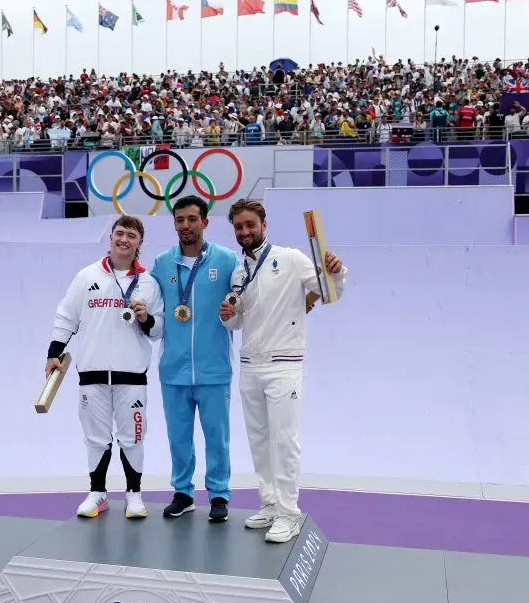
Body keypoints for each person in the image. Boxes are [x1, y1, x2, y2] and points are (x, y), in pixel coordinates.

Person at [219, 199, 347, 543]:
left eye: (251, 225)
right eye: (239, 227)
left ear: (264, 224)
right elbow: (239, 322)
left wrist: (335, 269)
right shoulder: (237, 271)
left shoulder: (290, 259)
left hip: (284, 365)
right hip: (249, 365)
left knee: (284, 442)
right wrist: (228, 317)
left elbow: (327, 289)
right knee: (259, 442)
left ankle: (289, 514)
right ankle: (271, 504)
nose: (245, 232)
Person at [47, 216, 164, 519]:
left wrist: (145, 319)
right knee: (95, 438)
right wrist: (54, 352)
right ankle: (97, 493)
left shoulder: (149, 282)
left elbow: (159, 328)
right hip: (92, 374)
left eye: (132, 235)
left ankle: (134, 495)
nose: (124, 239)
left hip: (132, 376)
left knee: (133, 436)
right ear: (110, 237)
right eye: (119, 233)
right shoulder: (87, 277)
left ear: (140, 242)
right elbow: (66, 317)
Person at [149, 195, 240, 523]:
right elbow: (147, 300)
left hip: (214, 369)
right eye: (179, 220)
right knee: (178, 437)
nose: (185, 225)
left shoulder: (227, 260)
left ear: (205, 222)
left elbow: (252, 289)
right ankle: (183, 493)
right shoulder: (161, 263)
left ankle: (218, 494)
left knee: (218, 436)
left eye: (191, 219)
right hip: (173, 370)